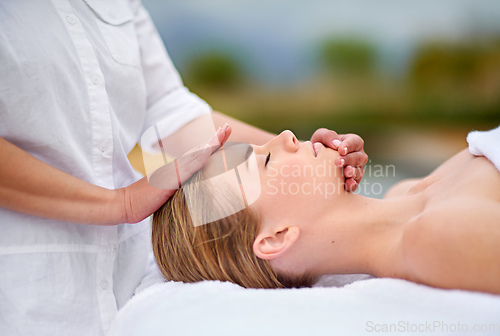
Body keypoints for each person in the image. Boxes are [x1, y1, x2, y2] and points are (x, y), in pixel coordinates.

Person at [0, 1, 368, 335]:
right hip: (26, 301)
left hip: (124, 289)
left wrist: (310, 158)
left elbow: (170, 113)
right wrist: (121, 203)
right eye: (268, 155)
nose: (288, 134)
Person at [153, 128, 500, 294]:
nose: (286, 136)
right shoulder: (434, 240)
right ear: (276, 238)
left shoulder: (405, 192)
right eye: (267, 160)